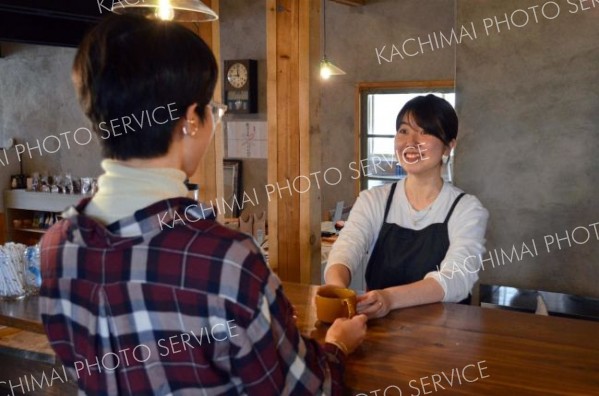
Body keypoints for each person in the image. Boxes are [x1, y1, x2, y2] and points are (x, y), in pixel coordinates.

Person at [39, 14, 366, 395]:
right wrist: (337, 346)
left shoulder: (56, 246)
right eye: (213, 108)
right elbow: (306, 390)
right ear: (191, 119)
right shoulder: (224, 261)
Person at [324, 95, 489, 319]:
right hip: (378, 331)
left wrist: (390, 299)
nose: (411, 142)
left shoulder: (466, 209)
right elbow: (346, 249)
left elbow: (458, 277)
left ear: (449, 146)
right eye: (403, 131)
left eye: (425, 131)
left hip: (445, 338)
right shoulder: (373, 200)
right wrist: (337, 291)